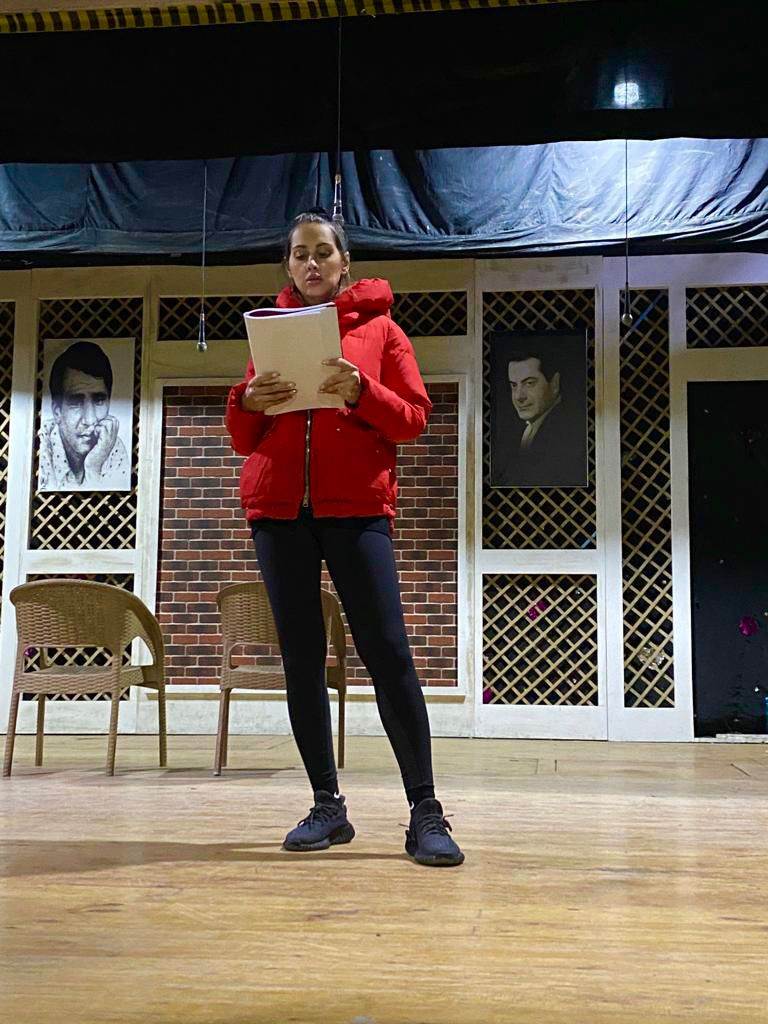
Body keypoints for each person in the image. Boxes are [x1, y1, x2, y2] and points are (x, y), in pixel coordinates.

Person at [225, 210, 464, 867]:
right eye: (300, 254)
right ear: (288, 266)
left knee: (387, 652)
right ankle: (327, 806)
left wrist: (361, 391)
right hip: (278, 512)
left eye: (322, 252)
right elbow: (244, 437)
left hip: (357, 508)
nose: (311, 263)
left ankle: (426, 812)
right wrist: (246, 401)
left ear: (344, 263)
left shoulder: (381, 330)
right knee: (302, 659)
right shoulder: (270, 332)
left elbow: (413, 418)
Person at [38, 340, 129, 491]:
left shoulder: (111, 446)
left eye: (99, 400)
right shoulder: (41, 445)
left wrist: (93, 467)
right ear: (57, 412)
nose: (90, 420)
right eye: (76, 402)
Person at [494, 346, 586, 487]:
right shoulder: (521, 431)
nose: (519, 396)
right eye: (514, 385)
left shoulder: (567, 431)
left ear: (554, 384)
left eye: (529, 383)